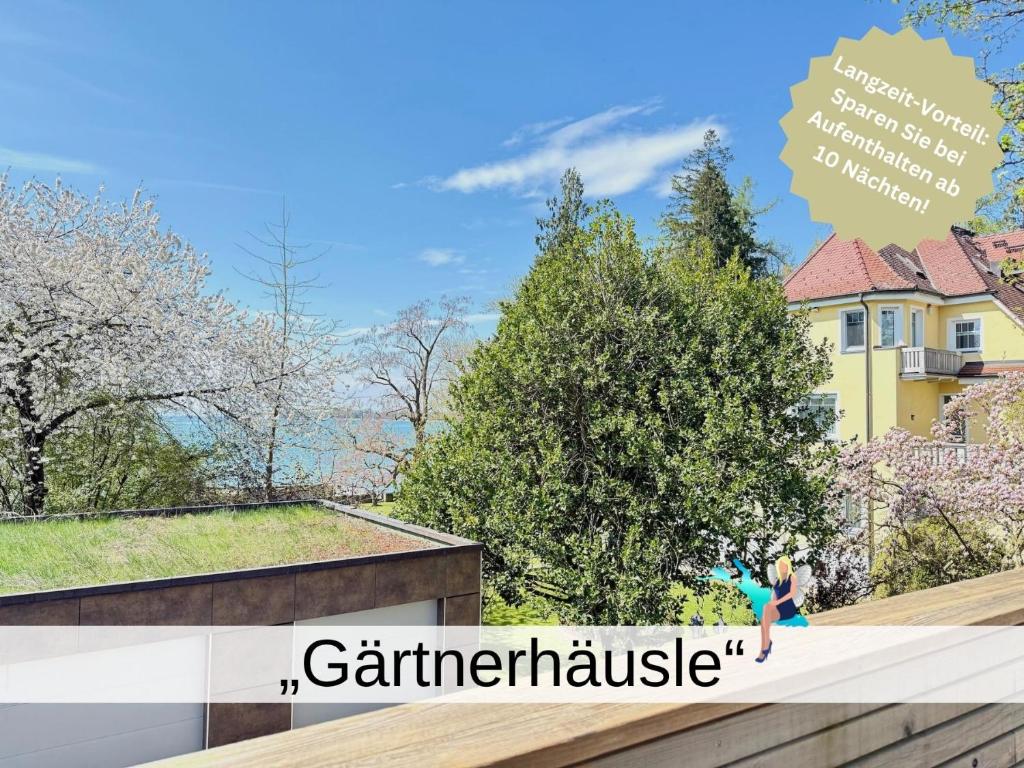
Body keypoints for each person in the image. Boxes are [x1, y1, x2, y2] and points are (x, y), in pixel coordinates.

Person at [757, 555, 798, 663]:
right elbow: (775, 594)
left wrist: (778, 602)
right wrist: (773, 603)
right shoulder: (777, 580)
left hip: (787, 608)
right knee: (764, 618)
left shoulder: (792, 577)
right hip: (778, 607)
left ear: (787, 566)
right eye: (779, 565)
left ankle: (765, 647)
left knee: (765, 614)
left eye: (783, 565)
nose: (781, 567)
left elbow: (792, 593)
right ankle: (765, 645)